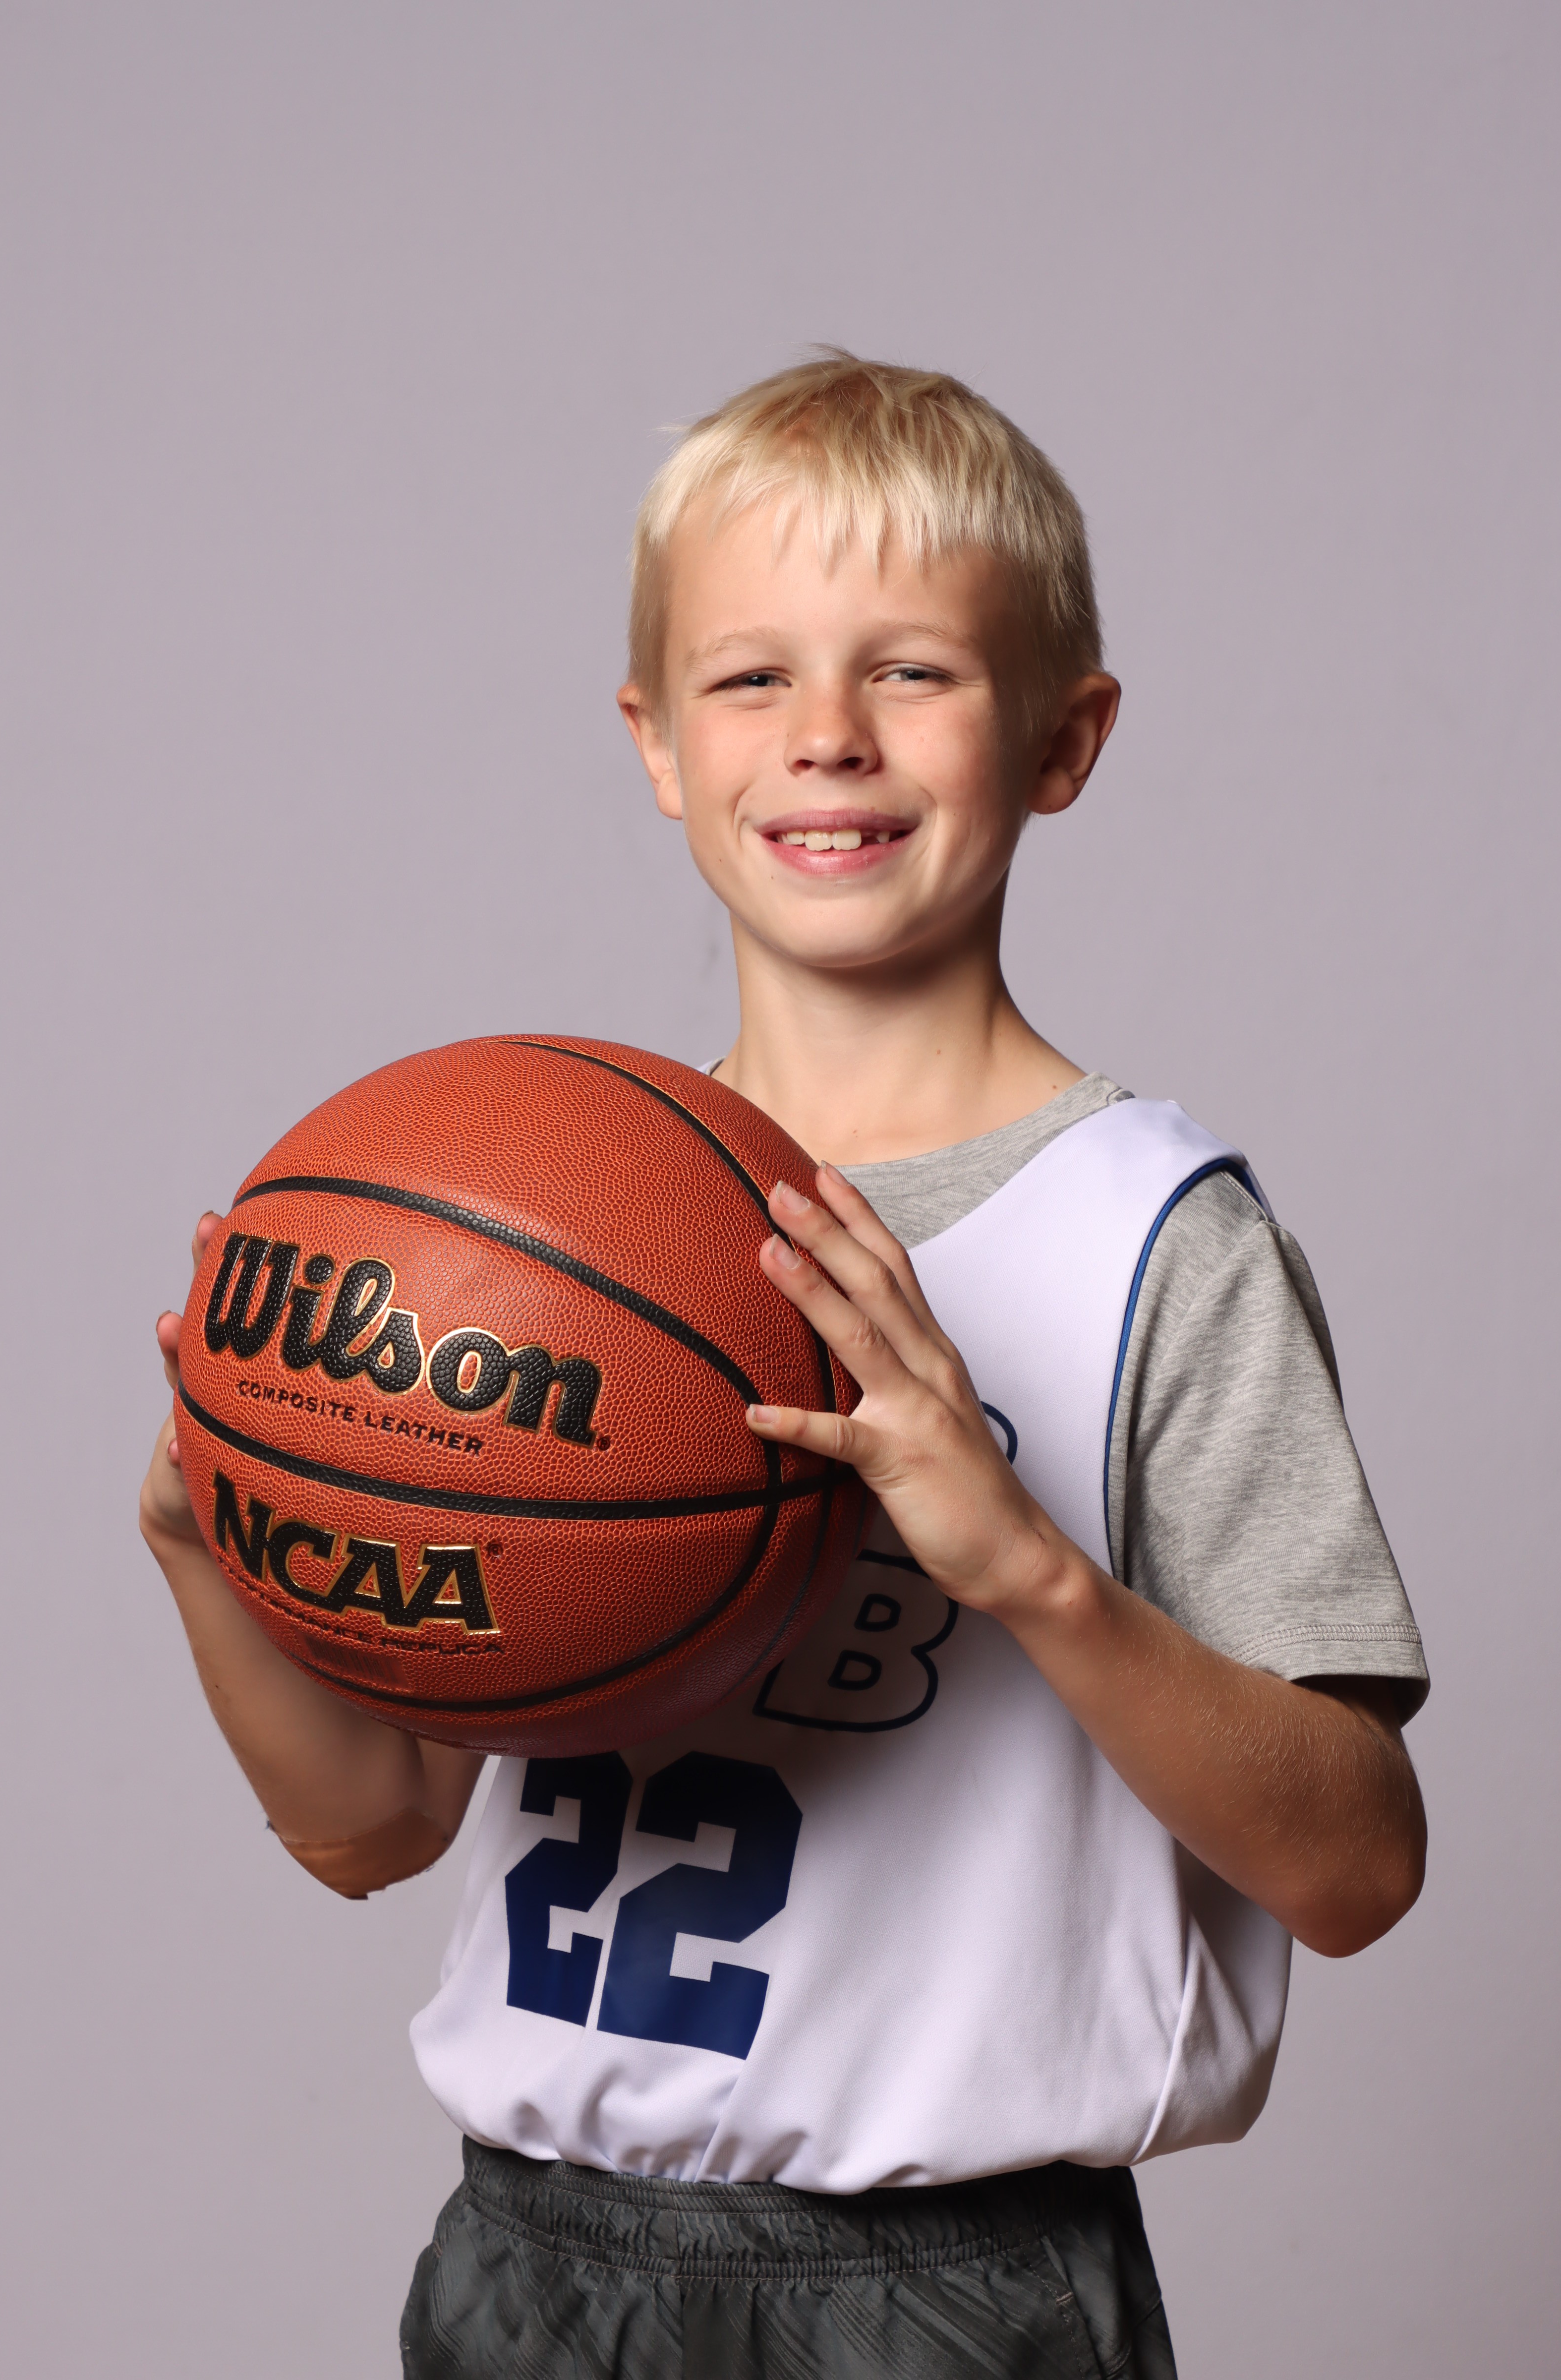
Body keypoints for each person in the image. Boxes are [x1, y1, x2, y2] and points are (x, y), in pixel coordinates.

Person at [141, 353, 1429, 2378]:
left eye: (911, 670)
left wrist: (1027, 1566)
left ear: (1062, 738)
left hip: (950, 2287)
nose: (827, 733)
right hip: (532, 2260)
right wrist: (210, 1541)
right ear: (658, 745)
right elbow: (375, 1832)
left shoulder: (1151, 1239)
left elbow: (1352, 1868)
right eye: (750, 679)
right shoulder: (541, 1232)